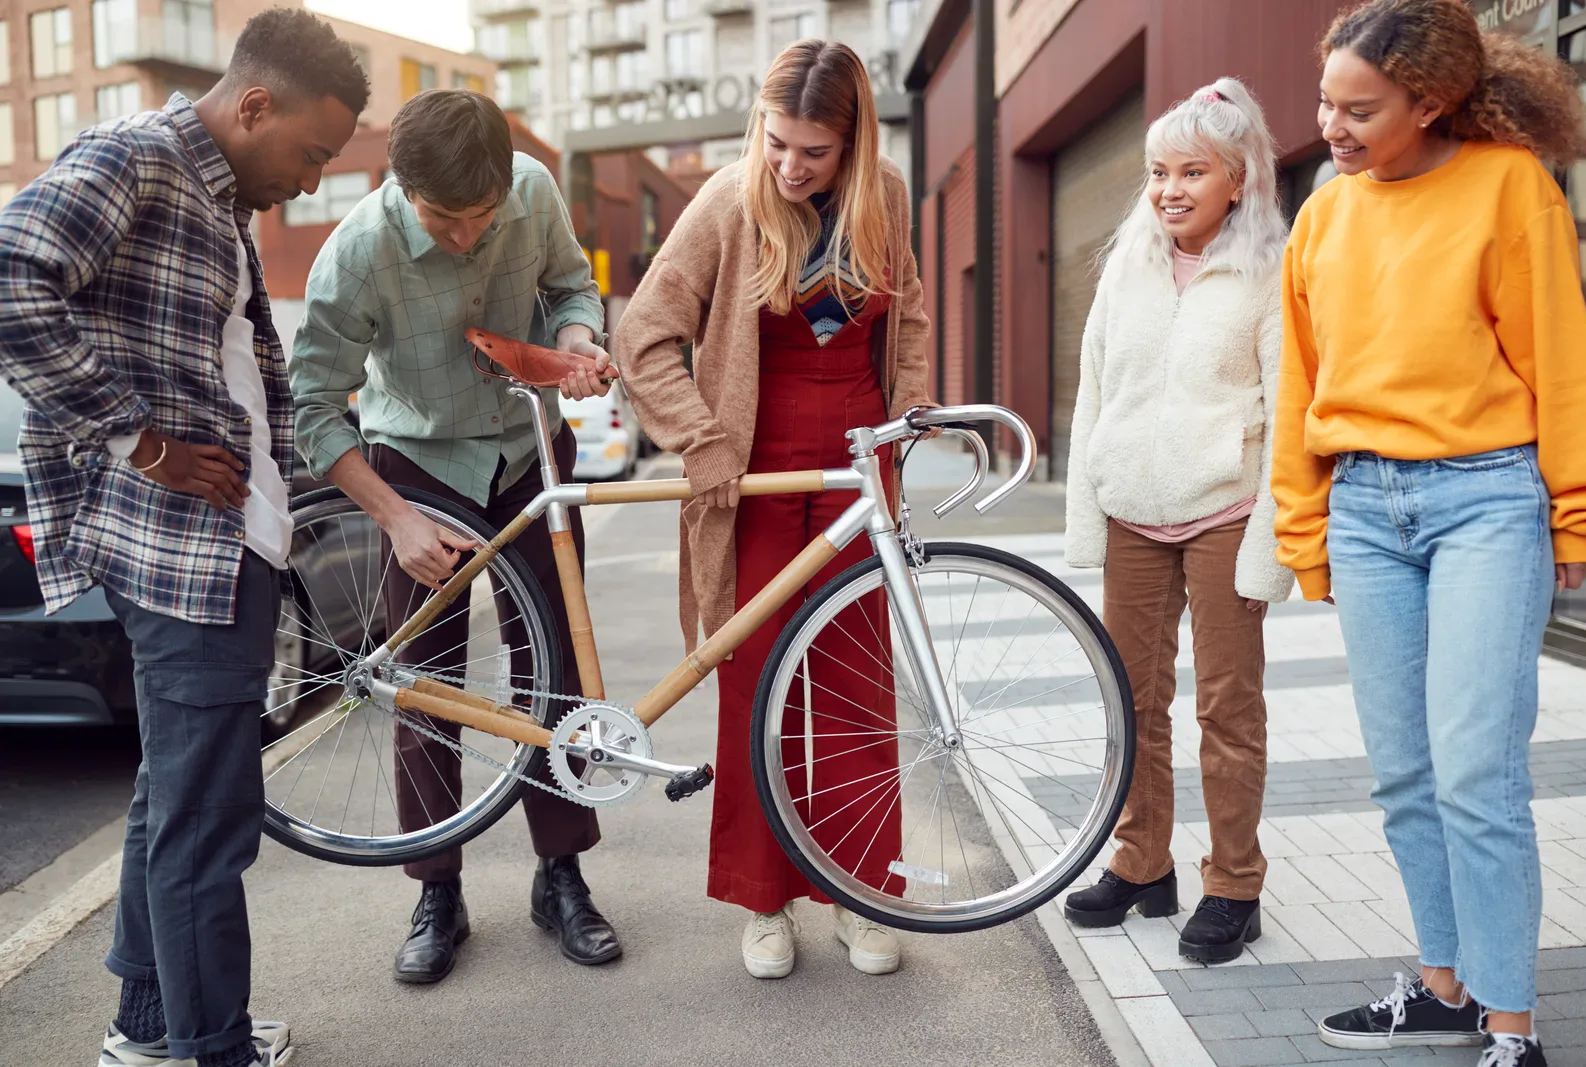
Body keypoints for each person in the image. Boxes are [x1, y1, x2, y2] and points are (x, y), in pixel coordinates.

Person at [0, 10, 366, 1067]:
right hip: (178, 547)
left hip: (225, 544)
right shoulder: (140, 159)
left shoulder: (216, 194)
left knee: (174, 797)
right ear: (253, 105)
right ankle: (212, 1048)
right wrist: (140, 440)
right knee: (208, 820)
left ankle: (150, 1025)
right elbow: (12, 278)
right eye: (311, 153)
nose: (310, 180)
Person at [1274, 3, 1586, 1063]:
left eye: (1359, 109)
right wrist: (1304, 529)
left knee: (1475, 774)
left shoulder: (1510, 187)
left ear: (1429, 102)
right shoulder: (1323, 213)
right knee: (1405, 774)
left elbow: (1562, 358)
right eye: (1325, 102)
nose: (1331, 126)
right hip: (1364, 510)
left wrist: (1578, 512)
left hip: (1486, 501)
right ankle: (1447, 985)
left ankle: (1513, 1025)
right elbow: (1298, 385)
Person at [611, 40, 934, 979]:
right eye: (777, 141)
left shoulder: (888, 197)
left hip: (858, 460)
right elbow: (645, 334)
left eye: (814, 152)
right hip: (751, 466)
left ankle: (864, 891)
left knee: (856, 681)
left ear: (854, 144)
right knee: (756, 681)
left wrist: (912, 415)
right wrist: (700, 437)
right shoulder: (729, 199)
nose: (790, 166)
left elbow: (910, 316)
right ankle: (765, 898)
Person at [291, 88, 622, 983]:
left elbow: (571, 287)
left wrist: (578, 341)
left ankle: (561, 875)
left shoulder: (534, 189)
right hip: (419, 468)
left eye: (483, 215)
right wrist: (393, 517)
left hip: (528, 450)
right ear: (403, 188)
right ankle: (437, 889)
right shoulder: (356, 253)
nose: (469, 236)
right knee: (424, 686)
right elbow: (312, 408)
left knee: (557, 670)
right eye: (444, 219)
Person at [1060, 78, 1294, 963]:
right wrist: (1087, 516)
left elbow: (1288, 412)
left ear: (1239, 179)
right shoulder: (1127, 269)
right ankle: (1142, 865)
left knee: (1228, 708)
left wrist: (1268, 549)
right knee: (1131, 701)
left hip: (1225, 510)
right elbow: (1093, 394)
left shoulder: (1268, 275)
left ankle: (1234, 885)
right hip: (1133, 510)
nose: (1170, 189)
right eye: (1159, 171)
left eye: (1193, 171)